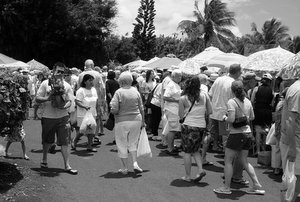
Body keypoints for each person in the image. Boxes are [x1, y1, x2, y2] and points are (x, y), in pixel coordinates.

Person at [213, 80, 265, 195]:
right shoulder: (247, 101)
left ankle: (226, 187)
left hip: (236, 134)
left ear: (232, 90)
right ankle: (256, 184)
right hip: (247, 133)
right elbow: (252, 117)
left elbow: (231, 119)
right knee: (244, 161)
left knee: (228, 160)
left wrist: (224, 118)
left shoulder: (232, 102)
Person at [209, 64, 248, 185]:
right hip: (226, 116)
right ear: (237, 72)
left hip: (215, 113)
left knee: (220, 139)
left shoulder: (219, 79)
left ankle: (227, 169)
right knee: (229, 144)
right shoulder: (234, 83)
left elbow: (210, 95)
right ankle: (230, 172)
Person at [36, 62, 77, 175]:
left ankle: (67, 165)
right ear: (53, 71)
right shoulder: (45, 83)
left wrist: (64, 106)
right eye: (58, 71)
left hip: (63, 117)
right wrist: (48, 98)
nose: (60, 74)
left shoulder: (67, 86)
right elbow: (37, 99)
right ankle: (44, 159)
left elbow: (70, 101)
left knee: (65, 141)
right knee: (47, 141)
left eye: (63, 72)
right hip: (48, 117)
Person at [110, 71, 145, 174]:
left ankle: (124, 168)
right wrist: (143, 121)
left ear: (121, 81)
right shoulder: (135, 91)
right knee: (133, 142)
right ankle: (135, 163)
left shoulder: (118, 92)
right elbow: (141, 107)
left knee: (121, 143)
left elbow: (115, 109)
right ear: (130, 81)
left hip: (122, 120)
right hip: (136, 119)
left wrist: (111, 109)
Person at [178, 76, 212, 182]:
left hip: (188, 126)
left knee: (187, 152)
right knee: (196, 150)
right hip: (201, 126)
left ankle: (188, 176)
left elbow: (180, 115)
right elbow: (210, 111)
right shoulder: (204, 95)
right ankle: (200, 169)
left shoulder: (183, 98)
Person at [280, 76, 300, 201]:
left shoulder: (296, 88)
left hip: (294, 141)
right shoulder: (298, 91)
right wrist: (293, 148)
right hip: (295, 143)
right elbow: (290, 121)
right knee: (293, 182)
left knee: (293, 182)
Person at [78, 59, 105, 138]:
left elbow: (78, 87)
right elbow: (102, 88)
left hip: (84, 99)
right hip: (95, 98)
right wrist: (103, 99)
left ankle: (88, 135)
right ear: (92, 65)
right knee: (96, 116)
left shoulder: (81, 75)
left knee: (85, 117)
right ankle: (94, 135)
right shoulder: (97, 74)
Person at [73, 74, 99, 152]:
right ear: (85, 82)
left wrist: (98, 110)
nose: (91, 82)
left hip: (92, 113)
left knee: (91, 129)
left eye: (92, 80)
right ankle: (75, 140)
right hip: (83, 113)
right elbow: (77, 101)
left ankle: (89, 146)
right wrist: (84, 106)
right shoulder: (81, 91)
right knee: (83, 129)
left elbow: (96, 101)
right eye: (89, 80)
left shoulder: (94, 90)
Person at [251, 73, 274, 155]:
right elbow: (272, 103)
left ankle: (258, 150)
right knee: (265, 131)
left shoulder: (256, 89)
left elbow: (252, 101)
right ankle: (264, 150)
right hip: (267, 112)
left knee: (257, 131)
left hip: (258, 111)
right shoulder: (272, 91)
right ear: (270, 82)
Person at [163, 69, 182, 155]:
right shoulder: (171, 84)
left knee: (172, 129)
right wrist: (176, 100)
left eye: (180, 76)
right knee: (173, 129)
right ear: (173, 76)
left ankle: (171, 146)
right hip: (172, 110)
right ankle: (169, 148)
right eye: (178, 76)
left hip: (174, 110)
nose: (180, 78)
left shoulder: (176, 84)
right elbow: (165, 97)